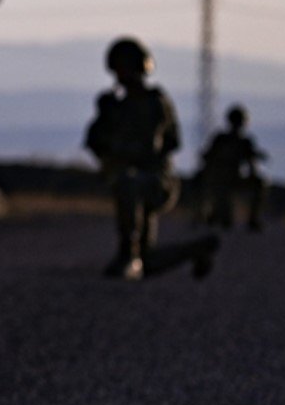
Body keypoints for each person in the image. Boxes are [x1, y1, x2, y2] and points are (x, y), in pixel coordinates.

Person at [83, 37, 220, 280]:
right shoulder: (115, 105)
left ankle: (128, 255)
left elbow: (154, 146)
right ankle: (195, 250)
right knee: (149, 259)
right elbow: (94, 143)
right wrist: (104, 117)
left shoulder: (155, 103)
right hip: (132, 180)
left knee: (129, 182)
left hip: (157, 182)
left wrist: (121, 149)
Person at [200, 104, 270, 231]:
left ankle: (251, 219)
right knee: (225, 221)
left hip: (231, 179)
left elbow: (251, 163)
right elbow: (207, 158)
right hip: (220, 181)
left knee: (259, 184)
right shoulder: (221, 139)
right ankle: (215, 214)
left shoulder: (243, 141)